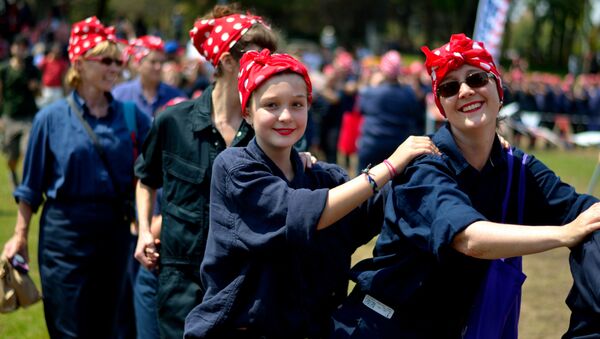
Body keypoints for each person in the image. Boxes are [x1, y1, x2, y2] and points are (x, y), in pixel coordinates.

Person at [331, 33, 600, 338]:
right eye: (449, 87)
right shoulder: (424, 164)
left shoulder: (514, 166)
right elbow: (468, 238)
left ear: (499, 90)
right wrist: (565, 234)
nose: (465, 91)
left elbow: (583, 209)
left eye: (476, 79)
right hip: (379, 327)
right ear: (442, 106)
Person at [183, 49, 438, 338]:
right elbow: (302, 211)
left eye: (297, 104)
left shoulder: (324, 176)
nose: (286, 116)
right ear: (248, 113)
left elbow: (360, 217)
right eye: (271, 105)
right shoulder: (233, 167)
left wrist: (444, 149)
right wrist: (389, 167)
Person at [133, 4, 278, 338]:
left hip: (243, 280)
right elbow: (146, 179)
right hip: (180, 279)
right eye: (258, 57)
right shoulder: (173, 122)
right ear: (227, 61)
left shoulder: (268, 130)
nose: (268, 67)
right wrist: (143, 230)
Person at [1, 16, 151, 338]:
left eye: (118, 61)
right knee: (69, 327)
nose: (116, 68)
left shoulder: (132, 116)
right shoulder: (50, 119)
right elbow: (30, 188)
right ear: (80, 64)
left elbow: (153, 171)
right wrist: (20, 235)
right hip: (63, 239)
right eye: (106, 60)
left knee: (114, 327)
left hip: (115, 234)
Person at [357, 49, 425, 171]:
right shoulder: (408, 93)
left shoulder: (371, 92)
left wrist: (372, 84)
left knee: (364, 183)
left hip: (372, 143)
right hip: (398, 146)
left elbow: (360, 108)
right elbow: (415, 112)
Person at [0, 34, 41, 188]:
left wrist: (35, 88)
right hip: (10, 116)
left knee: (28, 149)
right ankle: (12, 172)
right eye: (18, 46)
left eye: (23, 47)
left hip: (29, 116)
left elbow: (39, 94)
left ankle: (26, 184)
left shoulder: (32, 69)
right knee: (12, 155)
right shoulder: (4, 69)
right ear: (12, 48)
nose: (20, 50)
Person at [113, 35, 186, 118]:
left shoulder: (176, 96)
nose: (158, 67)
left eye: (161, 62)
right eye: (153, 62)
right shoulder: (120, 94)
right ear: (139, 64)